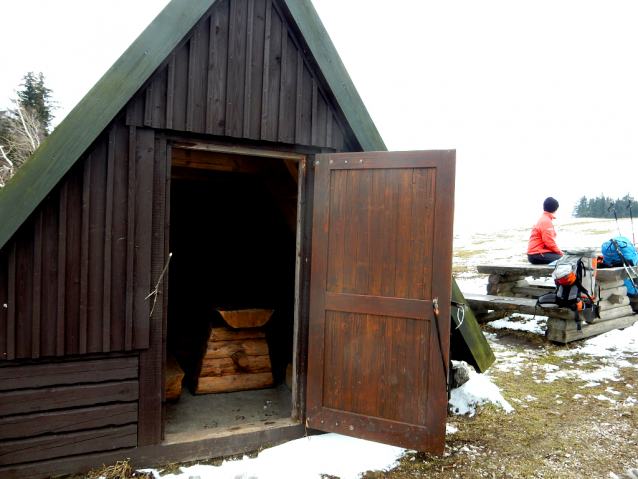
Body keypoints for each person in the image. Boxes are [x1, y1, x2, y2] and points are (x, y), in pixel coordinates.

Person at [527, 197, 563, 264]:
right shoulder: (546, 221)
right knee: (566, 258)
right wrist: (560, 253)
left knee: (565, 254)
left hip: (535, 254)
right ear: (555, 209)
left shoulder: (543, 219)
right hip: (537, 254)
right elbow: (549, 242)